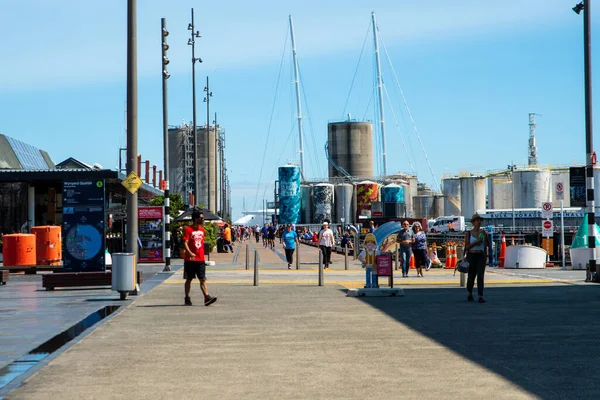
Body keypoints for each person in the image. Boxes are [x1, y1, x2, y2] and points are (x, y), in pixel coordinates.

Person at [182, 210, 217, 306]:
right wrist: (189, 253)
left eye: (202, 218)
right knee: (189, 279)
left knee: (203, 279)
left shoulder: (202, 230)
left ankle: (206, 297)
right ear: (195, 219)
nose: (202, 219)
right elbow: (185, 242)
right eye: (200, 218)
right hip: (190, 260)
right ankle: (187, 297)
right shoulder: (188, 229)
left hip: (200, 259)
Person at [463, 213, 488, 303]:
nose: (479, 222)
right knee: (471, 275)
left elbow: (486, 245)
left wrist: (486, 256)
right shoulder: (468, 233)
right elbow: (467, 246)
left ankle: (480, 295)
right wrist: (477, 242)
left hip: (481, 256)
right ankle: (469, 293)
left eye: (480, 220)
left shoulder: (483, 232)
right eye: (477, 220)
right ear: (473, 222)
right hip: (471, 255)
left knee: (480, 276)